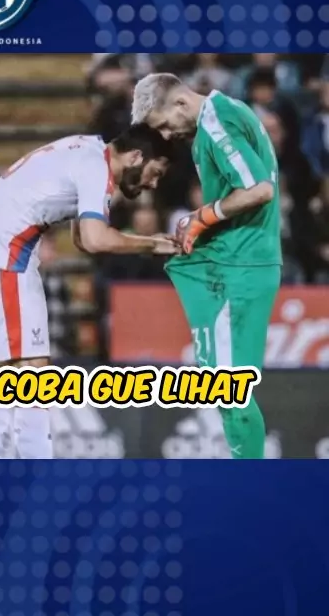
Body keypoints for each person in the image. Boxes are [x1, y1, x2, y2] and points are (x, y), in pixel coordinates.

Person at [0, 125, 178, 460]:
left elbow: (81, 239)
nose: (153, 183)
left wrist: (146, 242)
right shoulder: (96, 168)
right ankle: (33, 474)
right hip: (5, 256)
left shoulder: (88, 151)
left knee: (8, 376)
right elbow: (95, 239)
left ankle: (6, 473)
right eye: (155, 172)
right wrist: (153, 243)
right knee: (32, 374)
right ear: (136, 156)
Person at [132, 73, 282, 460]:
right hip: (235, 261)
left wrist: (203, 216)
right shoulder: (220, 118)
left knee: (230, 390)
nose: (166, 135)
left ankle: (250, 484)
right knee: (223, 387)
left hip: (239, 265)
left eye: (164, 124)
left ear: (181, 103)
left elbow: (260, 189)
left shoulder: (217, 120)